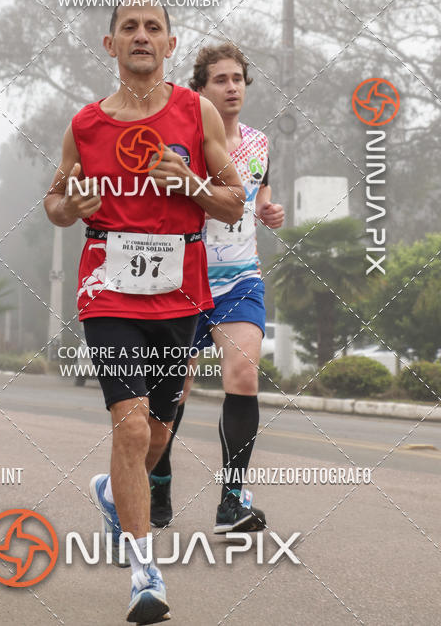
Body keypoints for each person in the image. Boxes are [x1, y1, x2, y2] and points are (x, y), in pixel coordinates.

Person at [44, 0, 245, 625]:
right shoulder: (84, 124)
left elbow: (234, 201)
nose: (140, 36)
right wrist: (70, 208)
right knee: (129, 427)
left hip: (179, 291)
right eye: (128, 28)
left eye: (152, 28)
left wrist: (190, 185)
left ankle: (111, 490)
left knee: (158, 430)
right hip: (107, 287)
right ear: (110, 46)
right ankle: (143, 571)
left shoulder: (197, 111)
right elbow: (54, 199)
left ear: (170, 44)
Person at [150, 42, 285, 536]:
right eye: (221, 80)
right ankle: (159, 479)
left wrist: (269, 209)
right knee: (174, 388)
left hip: (240, 279)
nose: (232, 87)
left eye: (238, 79)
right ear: (201, 89)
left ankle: (232, 501)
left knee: (244, 375)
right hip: (185, 280)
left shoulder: (259, 142)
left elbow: (260, 189)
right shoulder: (183, 143)